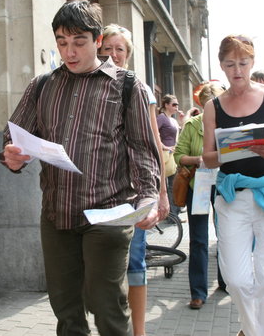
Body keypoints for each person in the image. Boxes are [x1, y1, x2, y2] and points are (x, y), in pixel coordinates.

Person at [0, 0, 160, 336]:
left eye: (78, 42)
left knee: (107, 308)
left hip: (110, 213)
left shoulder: (128, 86)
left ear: (98, 40)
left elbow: (144, 149)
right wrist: (11, 155)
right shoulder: (41, 86)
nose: (69, 52)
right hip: (57, 215)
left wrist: (148, 195)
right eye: (61, 42)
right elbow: (13, 135)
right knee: (67, 313)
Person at [202, 34, 264, 336]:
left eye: (243, 63)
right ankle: (252, 329)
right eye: (230, 64)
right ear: (221, 65)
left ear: (253, 62)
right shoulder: (213, 107)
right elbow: (207, 158)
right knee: (236, 279)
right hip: (232, 196)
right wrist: (228, 150)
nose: (237, 70)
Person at [99, 23, 169, 336]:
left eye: (120, 50)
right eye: (108, 49)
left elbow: (154, 145)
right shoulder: (89, 87)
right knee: (101, 269)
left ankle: (138, 332)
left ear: (128, 56)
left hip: (132, 193)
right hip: (97, 194)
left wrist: (161, 194)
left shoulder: (137, 88)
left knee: (135, 264)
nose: (113, 55)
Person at [173, 81, 225, 310]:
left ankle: (227, 282)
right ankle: (198, 292)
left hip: (225, 185)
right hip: (199, 184)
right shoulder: (192, 125)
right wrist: (197, 160)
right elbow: (178, 155)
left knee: (227, 235)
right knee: (199, 240)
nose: (210, 110)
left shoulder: (228, 124)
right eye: (207, 106)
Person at [157, 95, 183, 219]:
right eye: (173, 104)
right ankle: (171, 215)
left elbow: (178, 136)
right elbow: (153, 133)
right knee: (165, 185)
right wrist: (164, 146)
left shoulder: (173, 120)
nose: (176, 107)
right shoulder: (162, 118)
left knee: (174, 184)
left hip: (173, 154)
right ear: (166, 105)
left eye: (177, 104)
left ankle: (173, 213)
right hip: (165, 155)